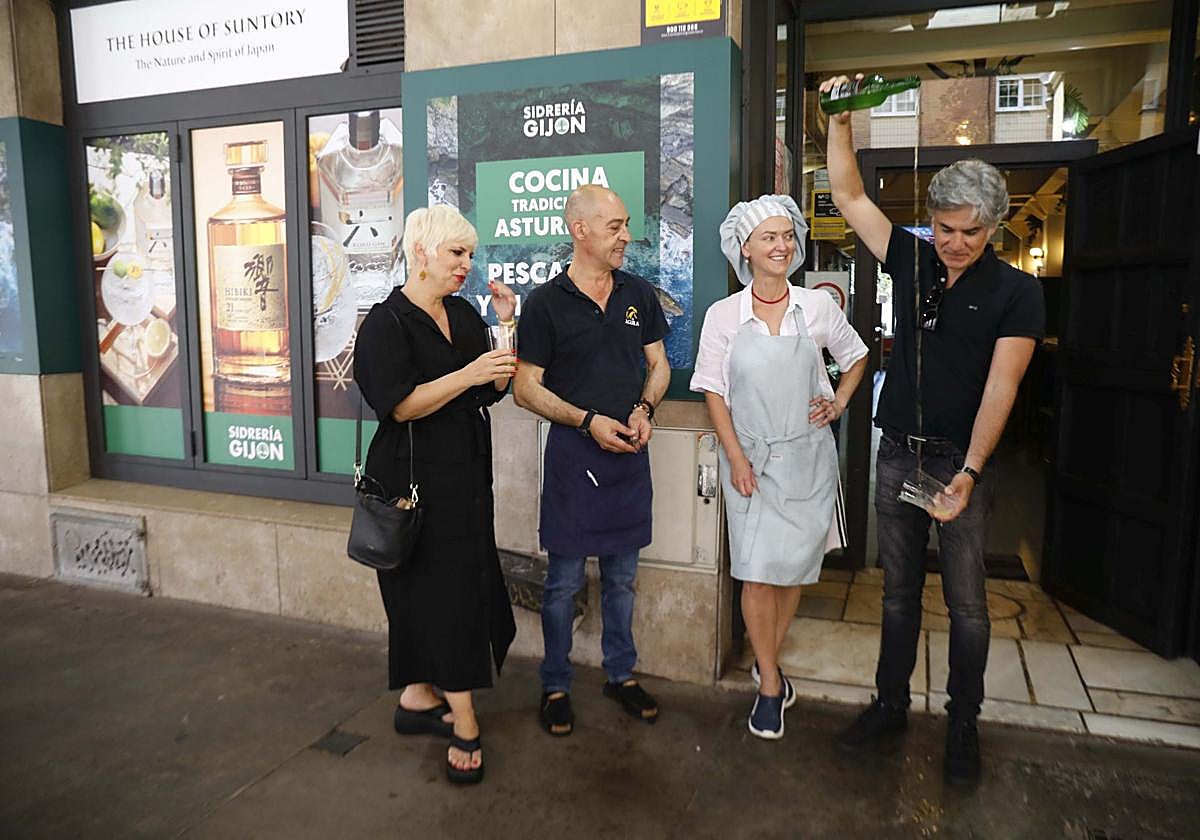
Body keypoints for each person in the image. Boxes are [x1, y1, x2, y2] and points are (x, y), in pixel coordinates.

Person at [820, 74, 1045, 786]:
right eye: (944, 229)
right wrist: (839, 117)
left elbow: (1001, 389)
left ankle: (963, 724)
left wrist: (969, 474)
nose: (952, 243)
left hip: (959, 465)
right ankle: (889, 705)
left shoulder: (1018, 292)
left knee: (968, 604)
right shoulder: (914, 258)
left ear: (995, 227)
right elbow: (851, 195)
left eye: (968, 233)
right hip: (896, 457)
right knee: (895, 593)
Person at [691, 195, 868, 740]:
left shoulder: (816, 308)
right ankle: (770, 682)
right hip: (750, 460)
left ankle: (767, 657)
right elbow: (714, 393)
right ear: (744, 248)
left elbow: (857, 355)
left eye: (788, 236)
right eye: (769, 237)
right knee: (755, 571)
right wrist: (737, 459)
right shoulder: (725, 315)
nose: (782, 245)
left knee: (791, 569)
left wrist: (837, 403)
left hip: (807, 460)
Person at [352, 205, 518, 785]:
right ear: (421, 252)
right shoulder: (384, 324)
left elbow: (493, 388)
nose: (466, 266)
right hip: (413, 481)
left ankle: (420, 696)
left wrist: (504, 326)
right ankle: (465, 722)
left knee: (452, 588)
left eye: (469, 255)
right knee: (444, 597)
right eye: (457, 254)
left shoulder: (465, 314)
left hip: (466, 477)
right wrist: (469, 375)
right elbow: (399, 405)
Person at [513, 185, 671, 737]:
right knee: (563, 583)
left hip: (629, 452)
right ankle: (555, 684)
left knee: (624, 579)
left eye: (627, 225)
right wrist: (586, 421)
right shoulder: (544, 305)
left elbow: (659, 364)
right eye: (615, 227)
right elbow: (524, 388)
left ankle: (620, 675)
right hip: (574, 458)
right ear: (579, 230)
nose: (626, 236)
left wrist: (647, 407)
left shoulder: (639, 294)